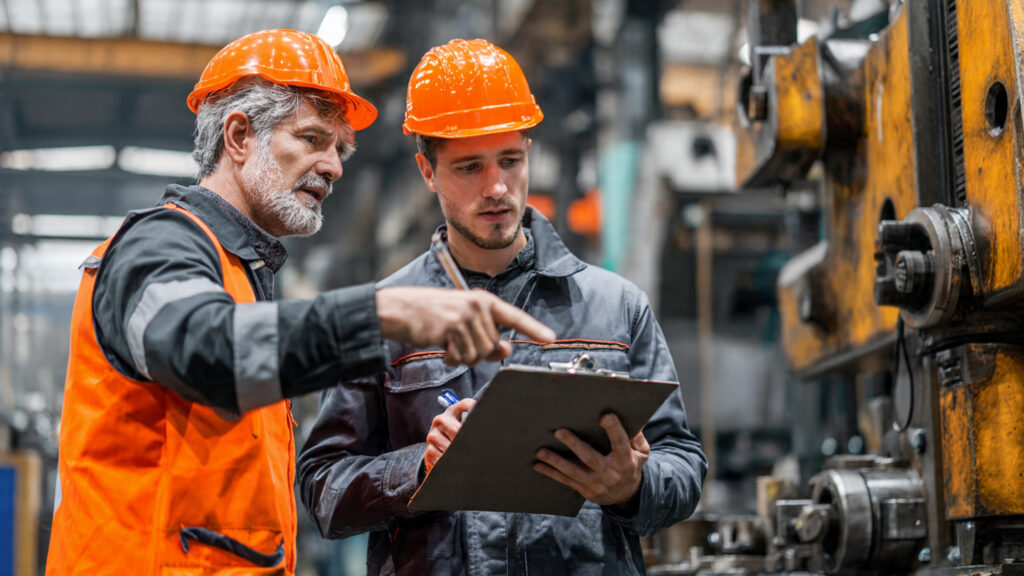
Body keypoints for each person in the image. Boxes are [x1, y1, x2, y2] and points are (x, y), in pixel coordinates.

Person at [46, 30, 554, 576]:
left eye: (339, 149)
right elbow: (202, 350)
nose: (333, 166)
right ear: (238, 136)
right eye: (312, 139)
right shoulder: (160, 245)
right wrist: (382, 314)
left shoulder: (241, 271)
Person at [298, 38, 707, 575]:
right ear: (427, 171)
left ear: (528, 154)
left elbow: (683, 464)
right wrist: (417, 467)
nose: (497, 188)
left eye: (509, 160)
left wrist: (633, 485)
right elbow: (324, 487)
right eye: (468, 167)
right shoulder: (386, 316)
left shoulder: (617, 307)